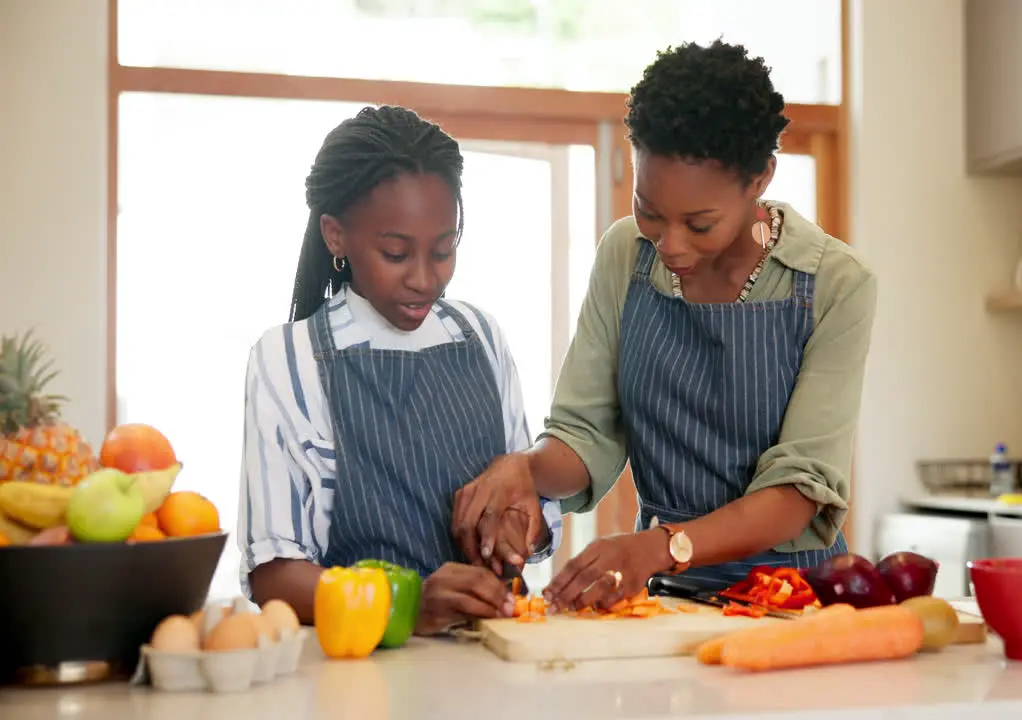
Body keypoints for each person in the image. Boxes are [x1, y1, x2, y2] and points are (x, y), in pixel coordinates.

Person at [452, 40, 877, 611]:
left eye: (699, 223)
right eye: (650, 211)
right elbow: (585, 435)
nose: (670, 245)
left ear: (760, 179)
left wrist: (659, 546)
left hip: (793, 601)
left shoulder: (835, 282)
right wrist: (523, 469)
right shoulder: (625, 254)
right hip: (665, 598)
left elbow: (798, 491)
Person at [237, 105, 562, 634]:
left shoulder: (479, 335)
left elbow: (534, 496)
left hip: (497, 657)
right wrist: (400, 605)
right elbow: (273, 575)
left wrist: (517, 526)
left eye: (443, 251)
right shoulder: (288, 358)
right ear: (336, 236)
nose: (424, 280)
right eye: (395, 253)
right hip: (364, 673)